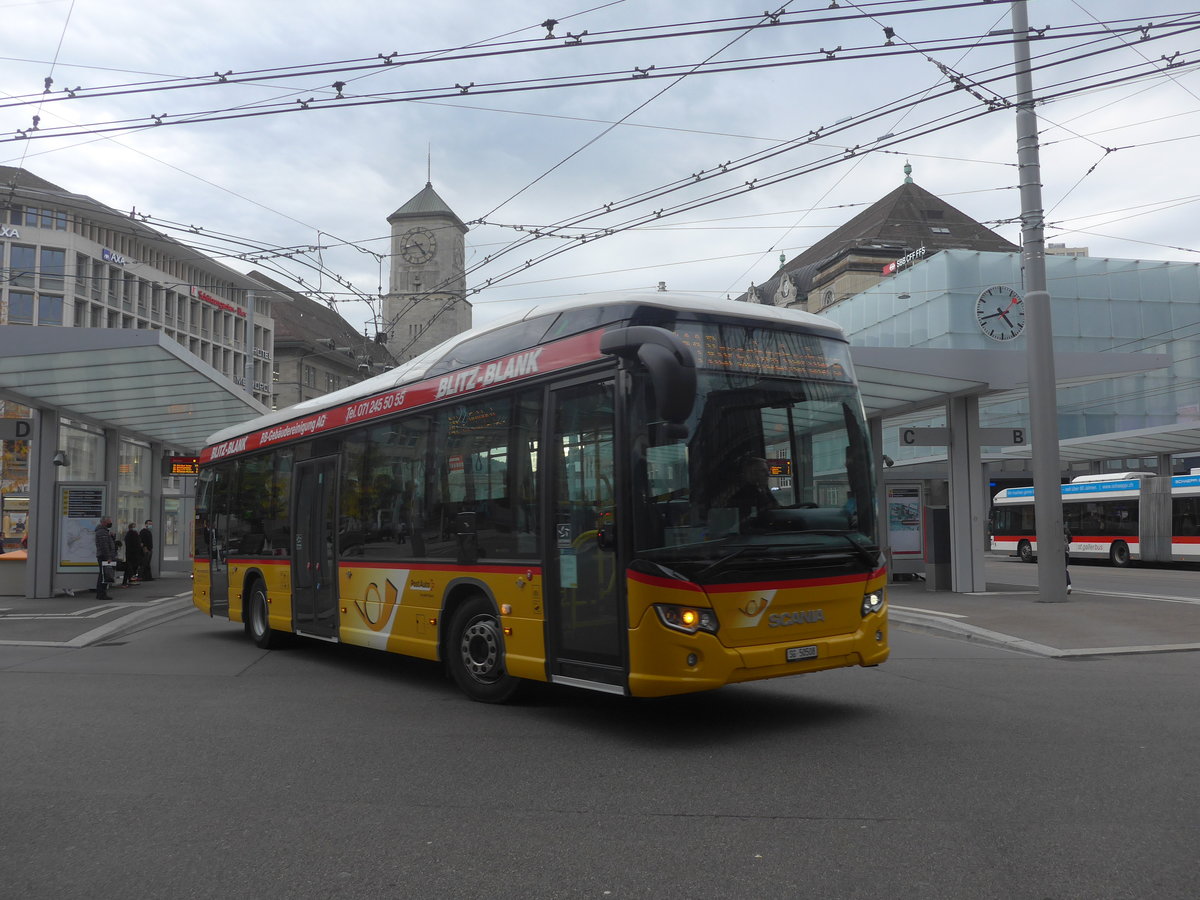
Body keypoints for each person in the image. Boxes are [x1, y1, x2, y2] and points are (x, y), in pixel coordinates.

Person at [94, 516, 117, 600]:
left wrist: (112, 537)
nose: (110, 523)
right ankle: (101, 594)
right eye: (109, 522)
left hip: (104, 556)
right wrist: (108, 557)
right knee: (104, 575)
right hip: (104, 556)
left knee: (104, 575)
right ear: (103, 522)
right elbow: (104, 546)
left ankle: (101, 593)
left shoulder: (105, 531)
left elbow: (108, 543)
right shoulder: (102, 532)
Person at [1064, 524, 1073, 595]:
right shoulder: (1066, 529)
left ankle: (1068, 585)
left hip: (1059, 553)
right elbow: (1070, 539)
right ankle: (1068, 585)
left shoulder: (1054, 529)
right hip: (1066, 552)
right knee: (1065, 569)